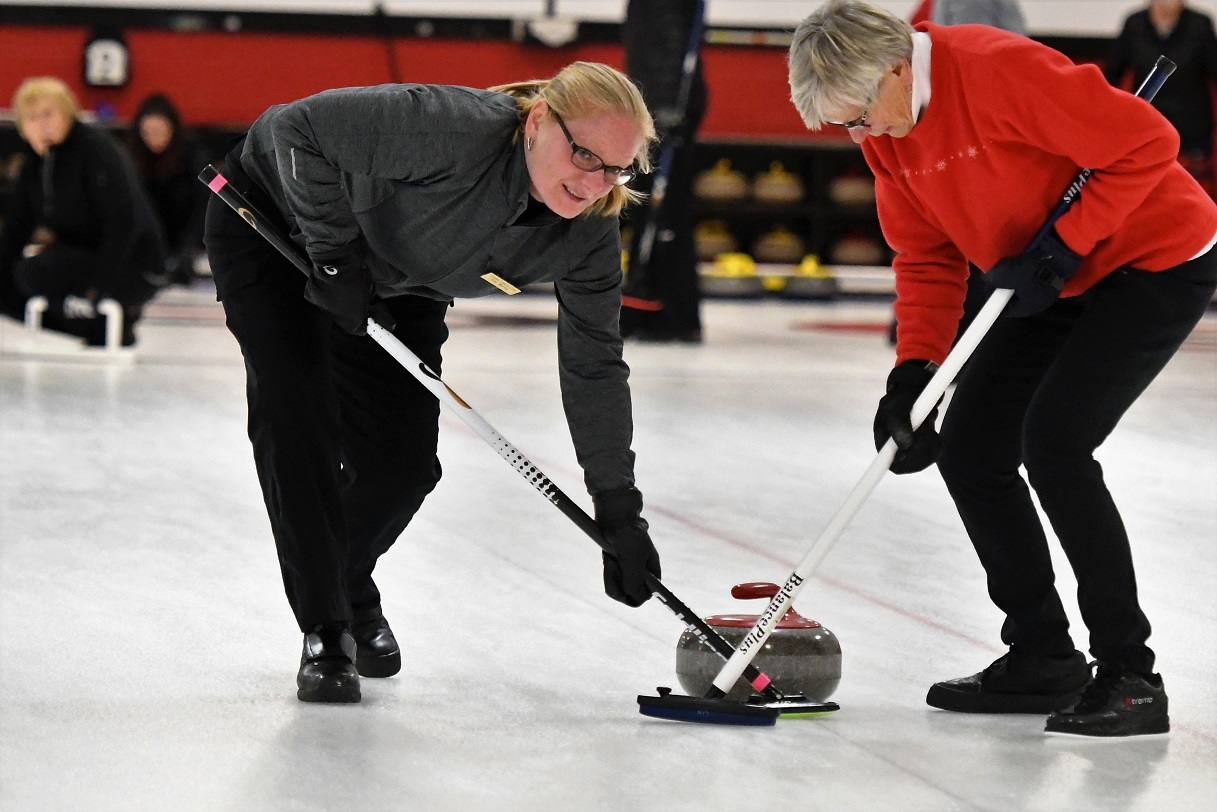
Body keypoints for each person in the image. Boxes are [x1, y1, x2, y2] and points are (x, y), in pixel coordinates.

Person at [788, 0, 1217, 737]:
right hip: (1043, 274)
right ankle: (1042, 656)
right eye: (843, 125)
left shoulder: (994, 69)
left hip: (1151, 259)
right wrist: (915, 371)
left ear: (894, 68)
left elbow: (1148, 141)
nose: (860, 134)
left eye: (858, 114)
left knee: (1055, 444)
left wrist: (1066, 242)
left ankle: (1129, 674)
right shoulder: (885, 132)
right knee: (972, 449)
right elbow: (925, 254)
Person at [203, 62, 663, 704]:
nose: (594, 182)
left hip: (396, 278)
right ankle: (329, 628)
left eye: (615, 168)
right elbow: (294, 128)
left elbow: (594, 363)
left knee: (402, 465)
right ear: (537, 122)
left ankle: (347, 578)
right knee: (297, 420)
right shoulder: (449, 128)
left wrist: (618, 506)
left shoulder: (586, 236)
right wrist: (333, 254)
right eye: (583, 153)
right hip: (277, 224)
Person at [0, 77, 166, 346]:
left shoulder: (95, 149)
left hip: (132, 264)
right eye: (32, 117)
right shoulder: (36, 163)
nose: (42, 124)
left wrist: (100, 285)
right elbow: (18, 227)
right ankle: (95, 328)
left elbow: (123, 222)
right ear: (22, 127)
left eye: (48, 114)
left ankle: (111, 317)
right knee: (10, 280)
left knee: (33, 272)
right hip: (85, 257)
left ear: (68, 114)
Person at [618, 0, 708, 343]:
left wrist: (668, 106)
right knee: (651, 213)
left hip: (667, 109)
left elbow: (673, 45)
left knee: (663, 215)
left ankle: (673, 313)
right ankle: (655, 308)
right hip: (656, 104)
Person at [1106, 0, 1217, 198]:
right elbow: (1111, 77)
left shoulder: (1200, 25)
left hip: (1190, 134)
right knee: (1147, 201)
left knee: (1192, 200)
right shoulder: (1134, 24)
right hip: (1147, 131)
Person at [125, 93, 210, 285]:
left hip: (186, 237)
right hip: (145, 241)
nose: (153, 138)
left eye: (159, 130)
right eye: (147, 132)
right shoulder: (131, 155)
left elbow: (205, 203)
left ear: (172, 128)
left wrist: (191, 245)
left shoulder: (192, 155)